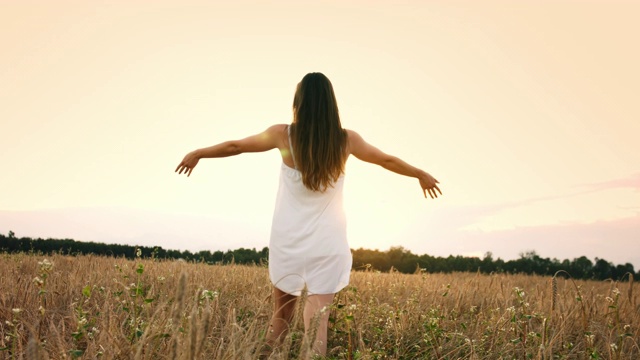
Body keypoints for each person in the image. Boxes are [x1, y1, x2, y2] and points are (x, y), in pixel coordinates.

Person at [175, 72, 441, 357]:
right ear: (331, 104)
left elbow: (236, 147)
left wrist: (198, 153)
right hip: (327, 245)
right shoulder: (346, 140)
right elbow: (386, 159)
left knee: (281, 318)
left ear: (299, 101)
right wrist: (419, 174)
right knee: (318, 326)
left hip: (288, 242)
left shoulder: (282, 135)